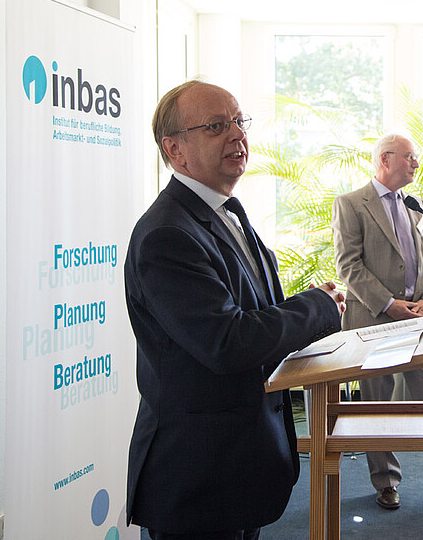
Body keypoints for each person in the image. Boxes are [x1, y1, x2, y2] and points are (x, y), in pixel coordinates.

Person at [125, 80, 346, 540]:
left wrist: (307, 310)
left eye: (240, 121)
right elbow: (226, 341)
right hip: (198, 476)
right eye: (216, 126)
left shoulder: (226, 211)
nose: (237, 135)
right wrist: (319, 308)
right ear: (175, 150)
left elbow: (255, 313)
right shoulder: (167, 235)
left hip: (239, 465)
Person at [331, 133, 423, 510]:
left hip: (418, 320)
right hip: (373, 320)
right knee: (376, 403)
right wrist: (389, 304)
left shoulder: (415, 204)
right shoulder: (351, 203)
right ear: (386, 159)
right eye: (410, 157)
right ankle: (386, 482)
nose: (416, 164)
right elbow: (348, 265)